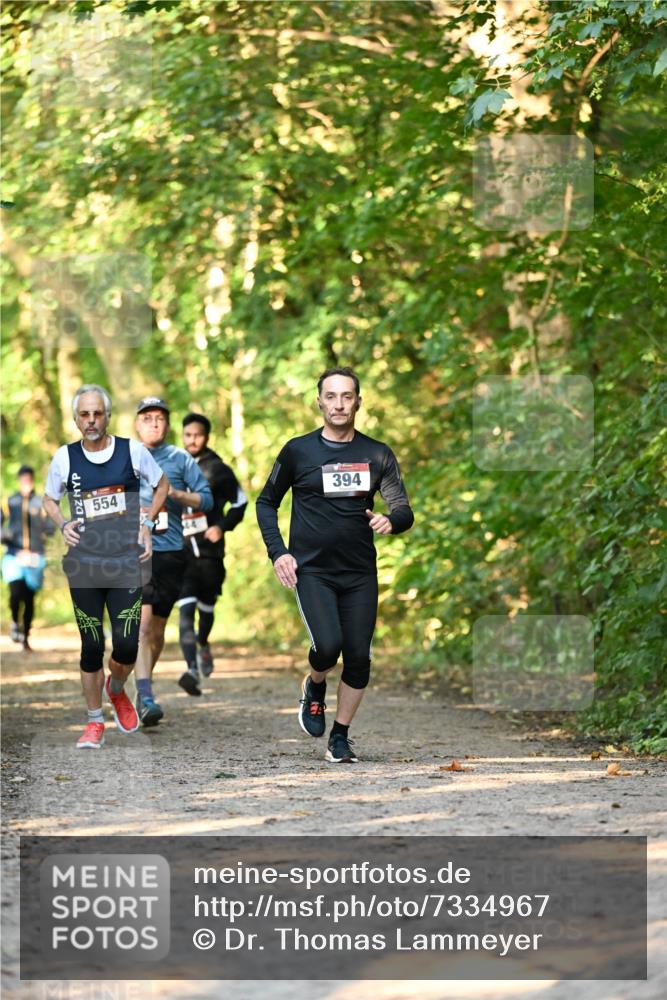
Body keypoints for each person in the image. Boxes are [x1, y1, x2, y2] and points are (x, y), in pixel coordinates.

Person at [256, 367, 414, 764]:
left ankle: (339, 737)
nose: (339, 404)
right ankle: (314, 684)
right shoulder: (298, 451)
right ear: (319, 402)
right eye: (331, 396)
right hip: (312, 570)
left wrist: (391, 521)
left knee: (359, 656)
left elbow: (403, 509)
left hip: (360, 572)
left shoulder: (377, 453)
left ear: (358, 401)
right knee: (328, 647)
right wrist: (279, 552)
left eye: (347, 396)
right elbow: (265, 503)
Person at [43, 385, 168, 749]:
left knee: (127, 646)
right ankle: (94, 722)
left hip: (126, 562)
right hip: (83, 565)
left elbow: (162, 485)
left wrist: (146, 524)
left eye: (97, 413)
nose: (92, 420)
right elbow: (50, 498)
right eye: (85, 414)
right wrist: (63, 524)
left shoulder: (132, 451)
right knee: (90, 645)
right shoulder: (64, 458)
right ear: (76, 418)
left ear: (108, 416)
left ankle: (116, 688)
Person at [133, 397, 213, 725]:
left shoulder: (180, 459)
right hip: (134, 551)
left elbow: (206, 497)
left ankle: (141, 689)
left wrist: (176, 494)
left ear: (168, 425)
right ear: (137, 423)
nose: (154, 423)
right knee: (142, 623)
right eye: (148, 418)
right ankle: (146, 693)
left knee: (158, 629)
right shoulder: (124, 457)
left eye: (160, 418)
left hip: (171, 552)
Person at [176, 412, 248, 696]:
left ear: (206, 437)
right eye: (188, 435)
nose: (193, 440)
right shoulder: (173, 465)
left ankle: (204, 643)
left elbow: (241, 503)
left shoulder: (218, 469)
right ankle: (191, 670)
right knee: (185, 611)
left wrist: (222, 526)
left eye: (198, 435)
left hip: (209, 554)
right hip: (180, 551)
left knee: (206, 610)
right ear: (182, 436)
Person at [1, 465, 55, 651]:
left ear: (32, 480)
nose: (26, 483)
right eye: (23, 480)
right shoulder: (10, 501)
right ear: (19, 480)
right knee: (15, 592)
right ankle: (15, 622)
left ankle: (26, 636)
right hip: (14, 555)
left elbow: (50, 525)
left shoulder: (40, 502)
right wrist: (5, 535)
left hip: (34, 556)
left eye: (29, 479)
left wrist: (45, 533)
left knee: (29, 597)